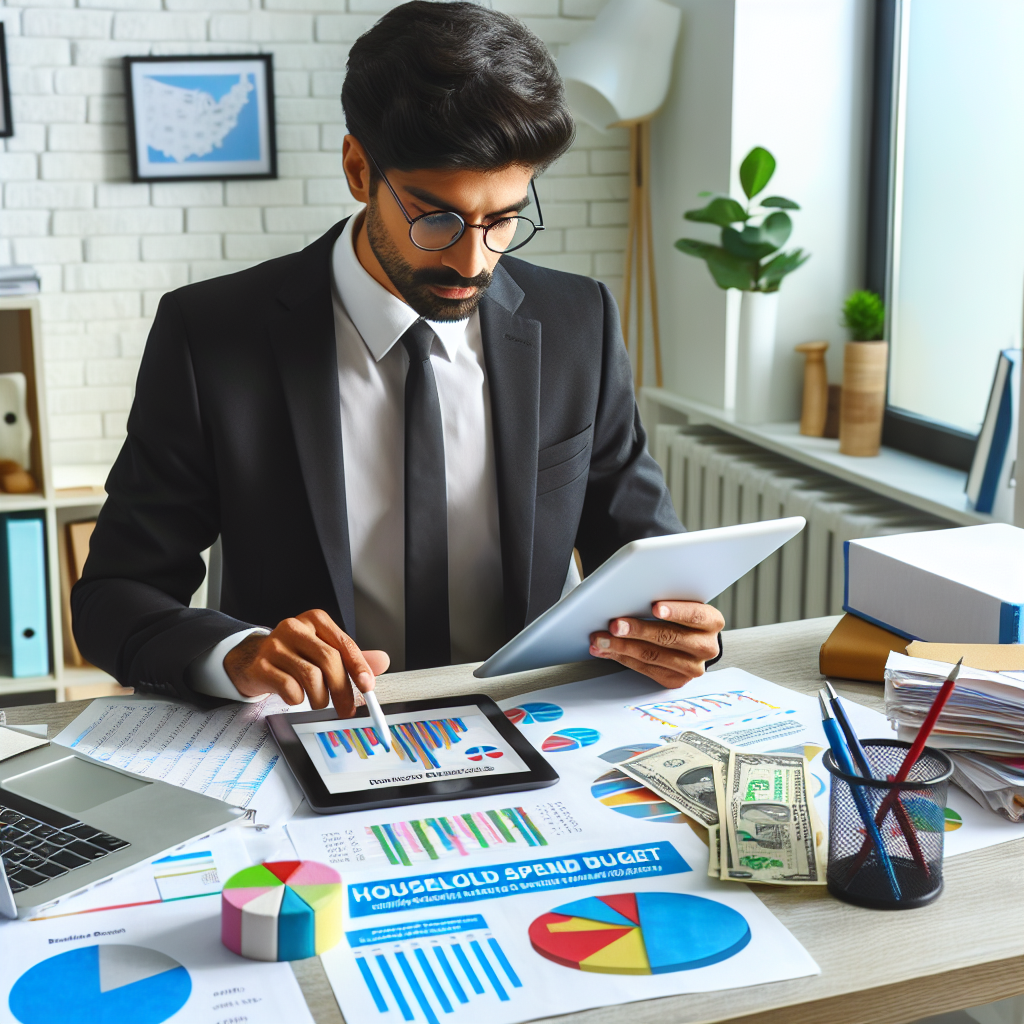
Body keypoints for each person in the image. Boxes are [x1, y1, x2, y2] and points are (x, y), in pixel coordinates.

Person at [71, 1, 723, 718]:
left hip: (531, 731)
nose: (473, 261)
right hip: (311, 740)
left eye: (504, 218)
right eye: (436, 217)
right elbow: (113, 598)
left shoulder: (578, 323)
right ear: (358, 169)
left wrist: (678, 633)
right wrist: (239, 653)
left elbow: (648, 566)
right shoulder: (211, 336)